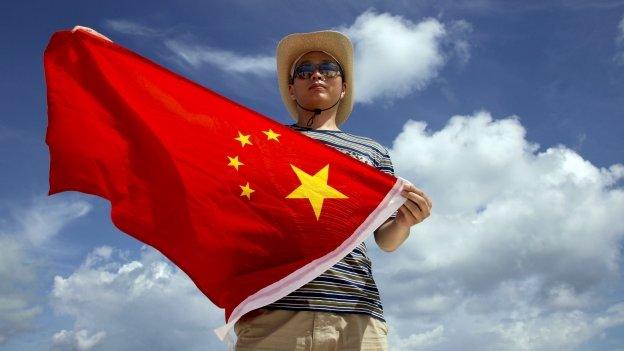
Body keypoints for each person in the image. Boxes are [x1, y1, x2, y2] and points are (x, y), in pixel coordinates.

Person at [233, 30, 433, 351]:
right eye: (303, 70)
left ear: (343, 87)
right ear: (291, 88)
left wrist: (405, 222)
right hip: (274, 311)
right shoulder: (262, 142)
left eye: (328, 69)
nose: (316, 74)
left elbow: (386, 239)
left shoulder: (373, 152)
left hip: (358, 312)